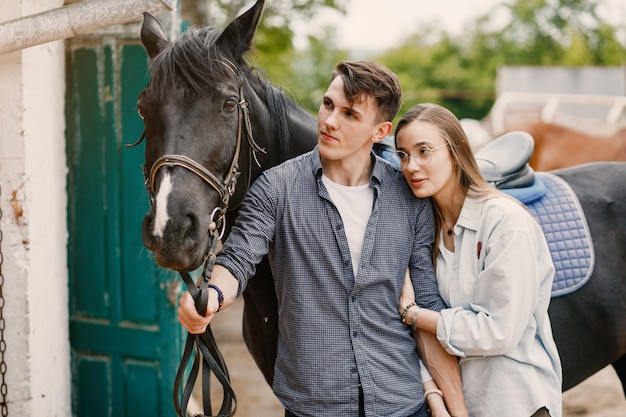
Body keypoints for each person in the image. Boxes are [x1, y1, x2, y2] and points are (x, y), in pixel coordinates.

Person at [178, 62, 469, 417]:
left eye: (349, 113)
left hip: (401, 402)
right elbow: (238, 258)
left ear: (381, 130)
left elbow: (427, 305)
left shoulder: (410, 200)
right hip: (314, 405)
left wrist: (454, 408)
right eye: (328, 105)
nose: (330, 121)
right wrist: (213, 296)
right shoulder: (276, 188)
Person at [394, 103, 562, 417]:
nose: (411, 166)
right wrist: (432, 393)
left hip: (515, 402)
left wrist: (413, 314)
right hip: (460, 401)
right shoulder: (424, 228)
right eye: (402, 154)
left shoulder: (505, 221)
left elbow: (498, 331)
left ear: (456, 151)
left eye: (424, 151)